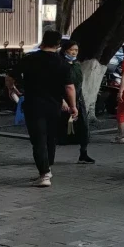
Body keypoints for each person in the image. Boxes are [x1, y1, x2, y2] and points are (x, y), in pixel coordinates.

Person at [8, 30, 76, 187]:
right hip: (55, 106)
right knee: (50, 138)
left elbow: (10, 77)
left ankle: (44, 174)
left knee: (39, 139)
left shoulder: (29, 59)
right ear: (58, 44)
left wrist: (12, 89)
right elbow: (70, 87)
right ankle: (48, 168)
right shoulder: (62, 63)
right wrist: (73, 106)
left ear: (43, 41)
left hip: (34, 105)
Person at [59, 39, 94, 164]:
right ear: (65, 50)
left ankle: (83, 153)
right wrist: (62, 100)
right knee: (57, 128)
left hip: (78, 99)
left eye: (76, 50)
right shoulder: (60, 65)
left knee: (84, 126)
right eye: (71, 50)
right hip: (62, 99)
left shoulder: (77, 65)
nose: (74, 52)